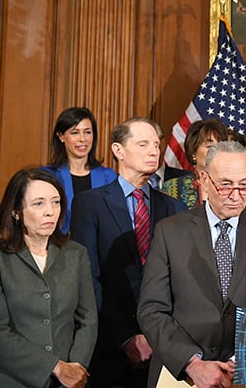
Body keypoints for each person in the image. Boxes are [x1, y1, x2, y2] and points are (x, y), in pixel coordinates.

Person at [138, 141, 246, 388]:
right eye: (226, 185)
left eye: (244, 185)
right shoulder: (170, 231)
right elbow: (152, 310)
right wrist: (192, 364)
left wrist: (240, 359)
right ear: (204, 180)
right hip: (181, 374)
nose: (235, 195)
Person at [71, 118, 186, 388]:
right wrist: (125, 338)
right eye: (143, 144)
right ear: (118, 150)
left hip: (164, 350)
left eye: (156, 145)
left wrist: (159, 337)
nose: (153, 151)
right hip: (109, 349)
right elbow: (89, 279)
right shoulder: (90, 204)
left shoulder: (175, 208)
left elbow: (178, 282)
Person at [0, 168, 97, 388]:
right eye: (38, 203)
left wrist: (74, 369)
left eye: (56, 202)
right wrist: (55, 367)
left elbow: (87, 319)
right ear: (16, 212)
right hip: (9, 381)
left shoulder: (76, 253)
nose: (50, 211)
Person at [42, 107, 117, 233]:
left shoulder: (108, 176)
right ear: (61, 136)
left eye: (87, 132)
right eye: (75, 132)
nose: (82, 139)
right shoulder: (47, 176)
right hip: (60, 246)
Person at [163, 119, 230, 209]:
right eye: (209, 147)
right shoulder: (173, 187)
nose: (216, 151)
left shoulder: (234, 186)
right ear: (194, 152)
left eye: (220, 146)